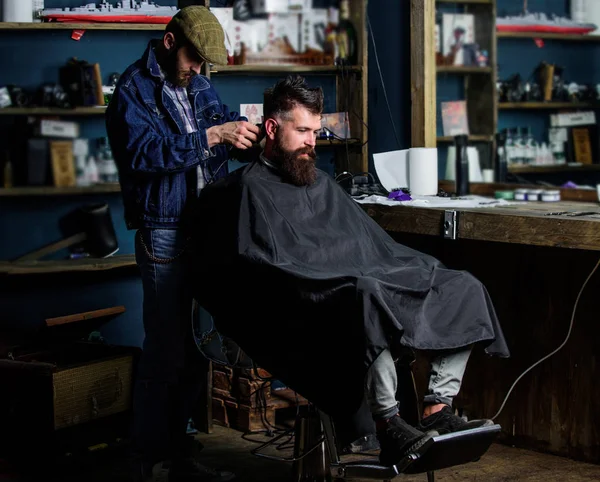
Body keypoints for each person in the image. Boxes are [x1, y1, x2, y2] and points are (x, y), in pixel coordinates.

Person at [189, 74, 510, 468]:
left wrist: (397, 269)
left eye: (316, 131)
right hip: (304, 299)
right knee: (367, 292)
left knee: (460, 285)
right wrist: (341, 277)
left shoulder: (320, 183)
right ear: (272, 128)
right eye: (303, 130)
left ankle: (436, 408)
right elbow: (262, 267)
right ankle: (389, 424)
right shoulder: (249, 190)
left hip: (357, 279)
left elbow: (371, 247)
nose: (313, 142)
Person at [105, 6, 260, 482]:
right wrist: (212, 135)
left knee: (197, 346)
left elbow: (220, 123)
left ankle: (179, 452)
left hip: (203, 227)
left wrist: (251, 131)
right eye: (194, 58)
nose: (199, 69)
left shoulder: (198, 82)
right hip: (164, 229)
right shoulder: (132, 91)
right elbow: (144, 155)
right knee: (166, 349)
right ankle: (142, 458)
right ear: (170, 42)